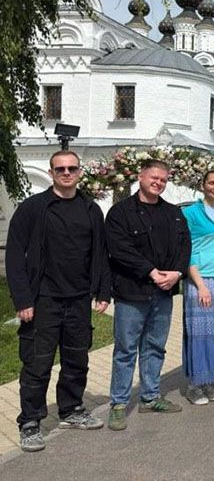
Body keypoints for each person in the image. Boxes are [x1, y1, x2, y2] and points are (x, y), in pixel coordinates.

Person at [5, 150, 111, 451]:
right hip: (43, 300)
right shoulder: (33, 208)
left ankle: (72, 409)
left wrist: (103, 291)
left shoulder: (91, 209)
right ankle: (30, 421)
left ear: (79, 173)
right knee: (37, 364)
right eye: (60, 169)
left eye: (71, 168)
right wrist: (23, 299)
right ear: (51, 173)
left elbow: (101, 253)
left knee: (77, 358)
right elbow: (14, 255)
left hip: (78, 299)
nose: (66, 173)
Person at [106, 159, 190, 431]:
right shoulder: (121, 212)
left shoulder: (173, 213)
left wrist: (177, 272)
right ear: (141, 176)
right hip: (132, 292)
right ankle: (118, 404)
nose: (159, 183)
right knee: (126, 349)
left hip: (163, 293)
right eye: (154, 177)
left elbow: (184, 245)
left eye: (164, 179)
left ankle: (151, 397)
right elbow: (120, 249)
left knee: (155, 346)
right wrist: (152, 272)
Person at [181, 170, 214, 406]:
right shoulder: (191, 213)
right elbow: (186, 250)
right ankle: (194, 384)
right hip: (199, 280)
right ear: (203, 185)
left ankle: (210, 380)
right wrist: (200, 284)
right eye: (211, 183)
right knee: (199, 333)